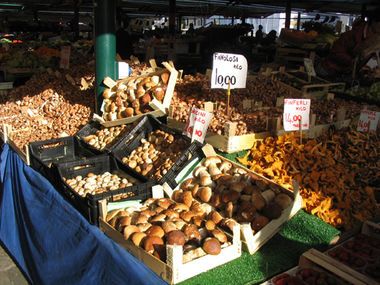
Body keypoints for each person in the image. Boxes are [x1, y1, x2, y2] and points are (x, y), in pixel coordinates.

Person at [316, 10, 380, 79]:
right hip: (329, 71)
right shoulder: (352, 35)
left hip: (347, 74)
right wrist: (353, 62)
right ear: (374, 22)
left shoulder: (376, 36)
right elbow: (335, 53)